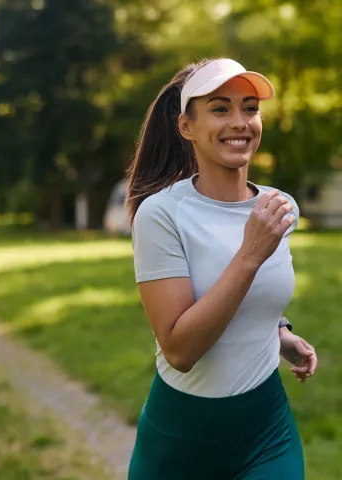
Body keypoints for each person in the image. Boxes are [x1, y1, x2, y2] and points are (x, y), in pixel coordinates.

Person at [126, 58, 318, 480]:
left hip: (266, 433)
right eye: (220, 108)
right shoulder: (161, 215)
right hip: (180, 443)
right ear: (186, 126)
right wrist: (250, 254)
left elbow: (257, 292)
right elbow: (180, 350)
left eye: (250, 108)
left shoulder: (279, 209)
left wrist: (279, 331)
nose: (240, 122)